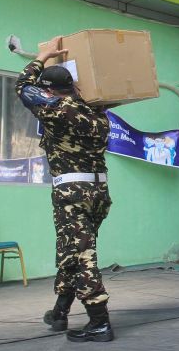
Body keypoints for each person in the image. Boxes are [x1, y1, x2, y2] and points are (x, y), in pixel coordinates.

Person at [15, 36, 115, 342]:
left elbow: (22, 86)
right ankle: (60, 311)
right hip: (98, 194)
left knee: (79, 256)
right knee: (72, 252)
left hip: (72, 193)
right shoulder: (97, 114)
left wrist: (43, 55)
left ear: (49, 89)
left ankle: (99, 321)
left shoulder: (56, 109)